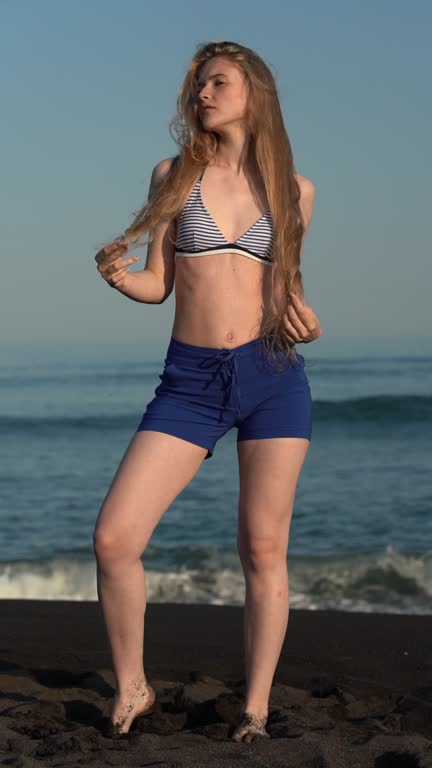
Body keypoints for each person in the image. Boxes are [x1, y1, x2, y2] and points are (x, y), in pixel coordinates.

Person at [93, 40, 321, 742]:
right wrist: (116, 276)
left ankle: (253, 710)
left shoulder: (294, 191)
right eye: (197, 85)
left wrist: (308, 322)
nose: (202, 94)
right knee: (113, 539)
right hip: (190, 381)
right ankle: (133, 685)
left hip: (272, 378)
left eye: (217, 82)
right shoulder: (173, 175)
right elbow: (160, 284)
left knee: (262, 549)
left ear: (254, 92)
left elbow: (288, 297)